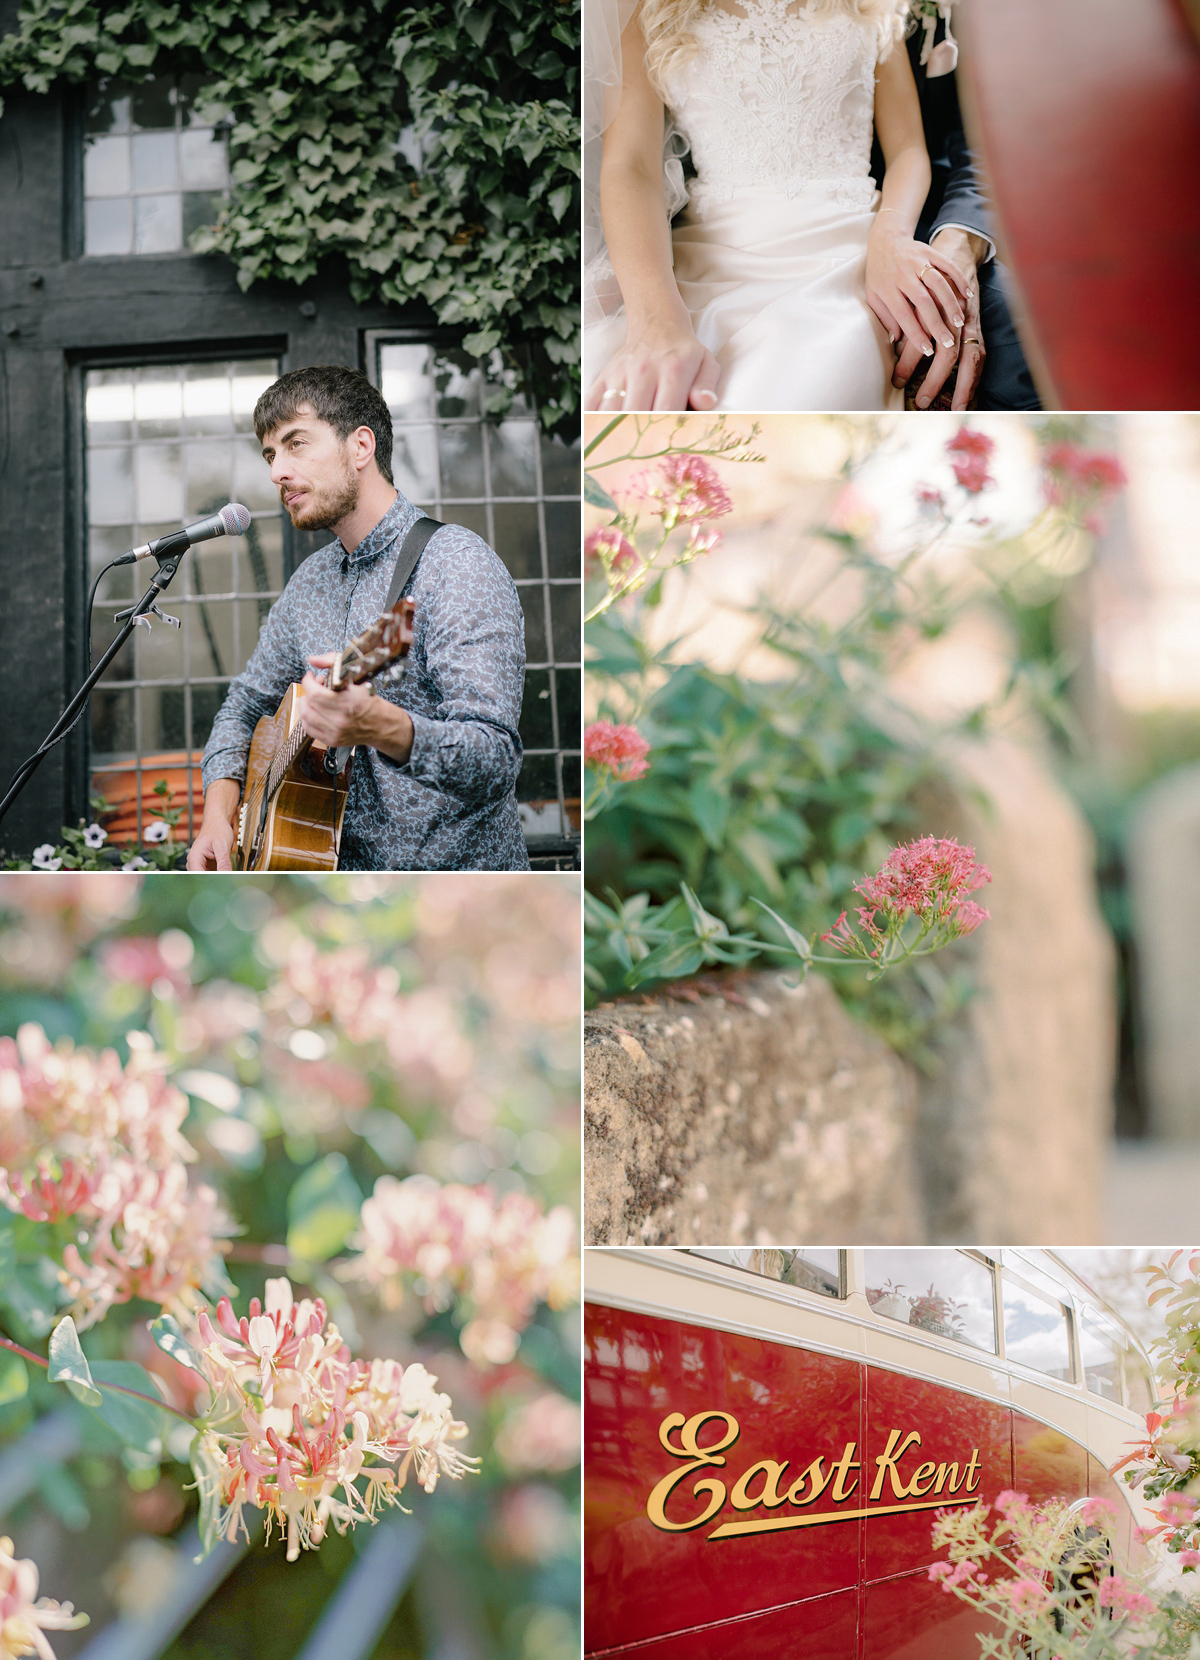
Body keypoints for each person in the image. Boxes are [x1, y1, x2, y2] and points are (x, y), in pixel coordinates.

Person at [187, 366, 530, 872]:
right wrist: (218, 815)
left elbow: (494, 759)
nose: (276, 471)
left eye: (295, 443)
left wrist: (381, 725)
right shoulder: (311, 582)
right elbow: (241, 709)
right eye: (270, 454)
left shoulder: (455, 564)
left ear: (361, 447)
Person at [583, 0, 970, 412]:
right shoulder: (646, 8)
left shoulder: (871, 4)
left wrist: (892, 235)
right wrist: (658, 321)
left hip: (848, 255)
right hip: (712, 260)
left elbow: (909, 148)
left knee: (806, 382)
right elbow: (631, 165)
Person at [875, 0, 1040, 410]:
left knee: (1017, 337)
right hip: (845, 219)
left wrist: (960, 243)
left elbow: (989, 140)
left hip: (948, 207)